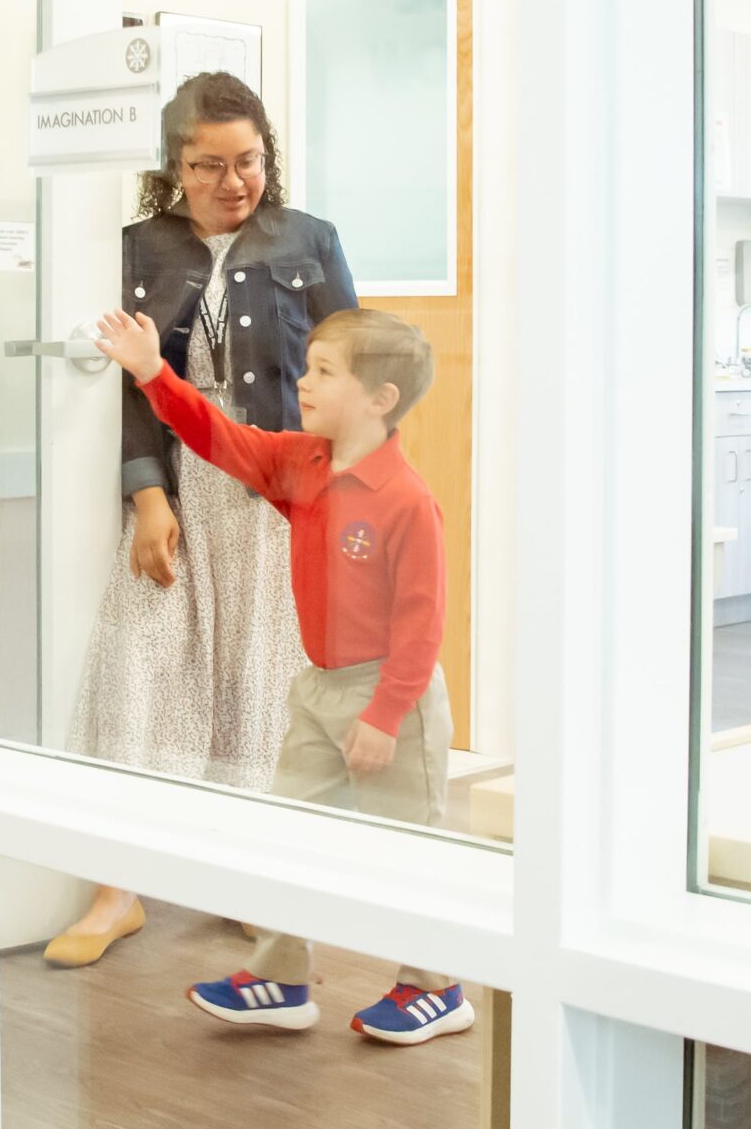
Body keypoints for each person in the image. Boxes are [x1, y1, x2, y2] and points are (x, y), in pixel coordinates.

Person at [92, 304, 474, 1046]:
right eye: (308, 366)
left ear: (379, 399)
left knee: (410, 848)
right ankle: (280, 975)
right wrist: (152, 374)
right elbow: (222, 439)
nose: (303, 381)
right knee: (286, 832)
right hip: (320, 689)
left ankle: (437, 985)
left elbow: (423, 626)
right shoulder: (302, 463)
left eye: (324, 372)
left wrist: (385, 715)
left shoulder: (405, 501)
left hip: (392, 697)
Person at [45, 72, 357, 968]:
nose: (233, 182)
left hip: (276, 488)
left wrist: (337, 487)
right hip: (185, 479)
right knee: (139, 664)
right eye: (208, 164)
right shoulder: (139, 247)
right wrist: (148, 496)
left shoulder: (310, 240)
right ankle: (117, 889)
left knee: (263, 685)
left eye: (249, 161)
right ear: (172, 165)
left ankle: (257, 883)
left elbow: (352, 361)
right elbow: (125, 381)